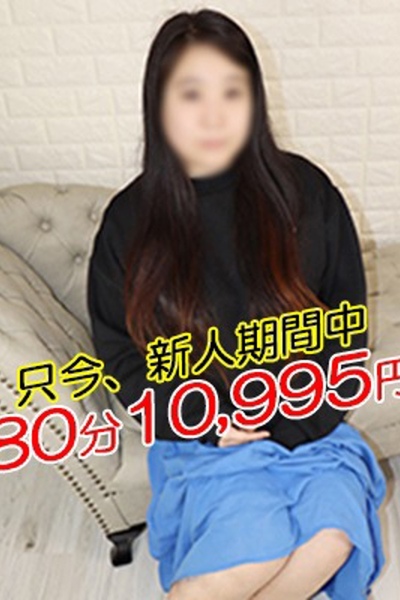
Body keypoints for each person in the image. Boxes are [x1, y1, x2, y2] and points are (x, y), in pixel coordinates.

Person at [87, 8, 387, 600]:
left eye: (232, 91)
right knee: (257, 546)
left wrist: (291, 418)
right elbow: (118, 356)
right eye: (191, 94)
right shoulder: (130, 220)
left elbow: (346, 330)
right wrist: (210, 420)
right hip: (202, 436)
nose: (214, 115)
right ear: (160, 104)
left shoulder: (307, 193)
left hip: (307, 425)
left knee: (332, 537)